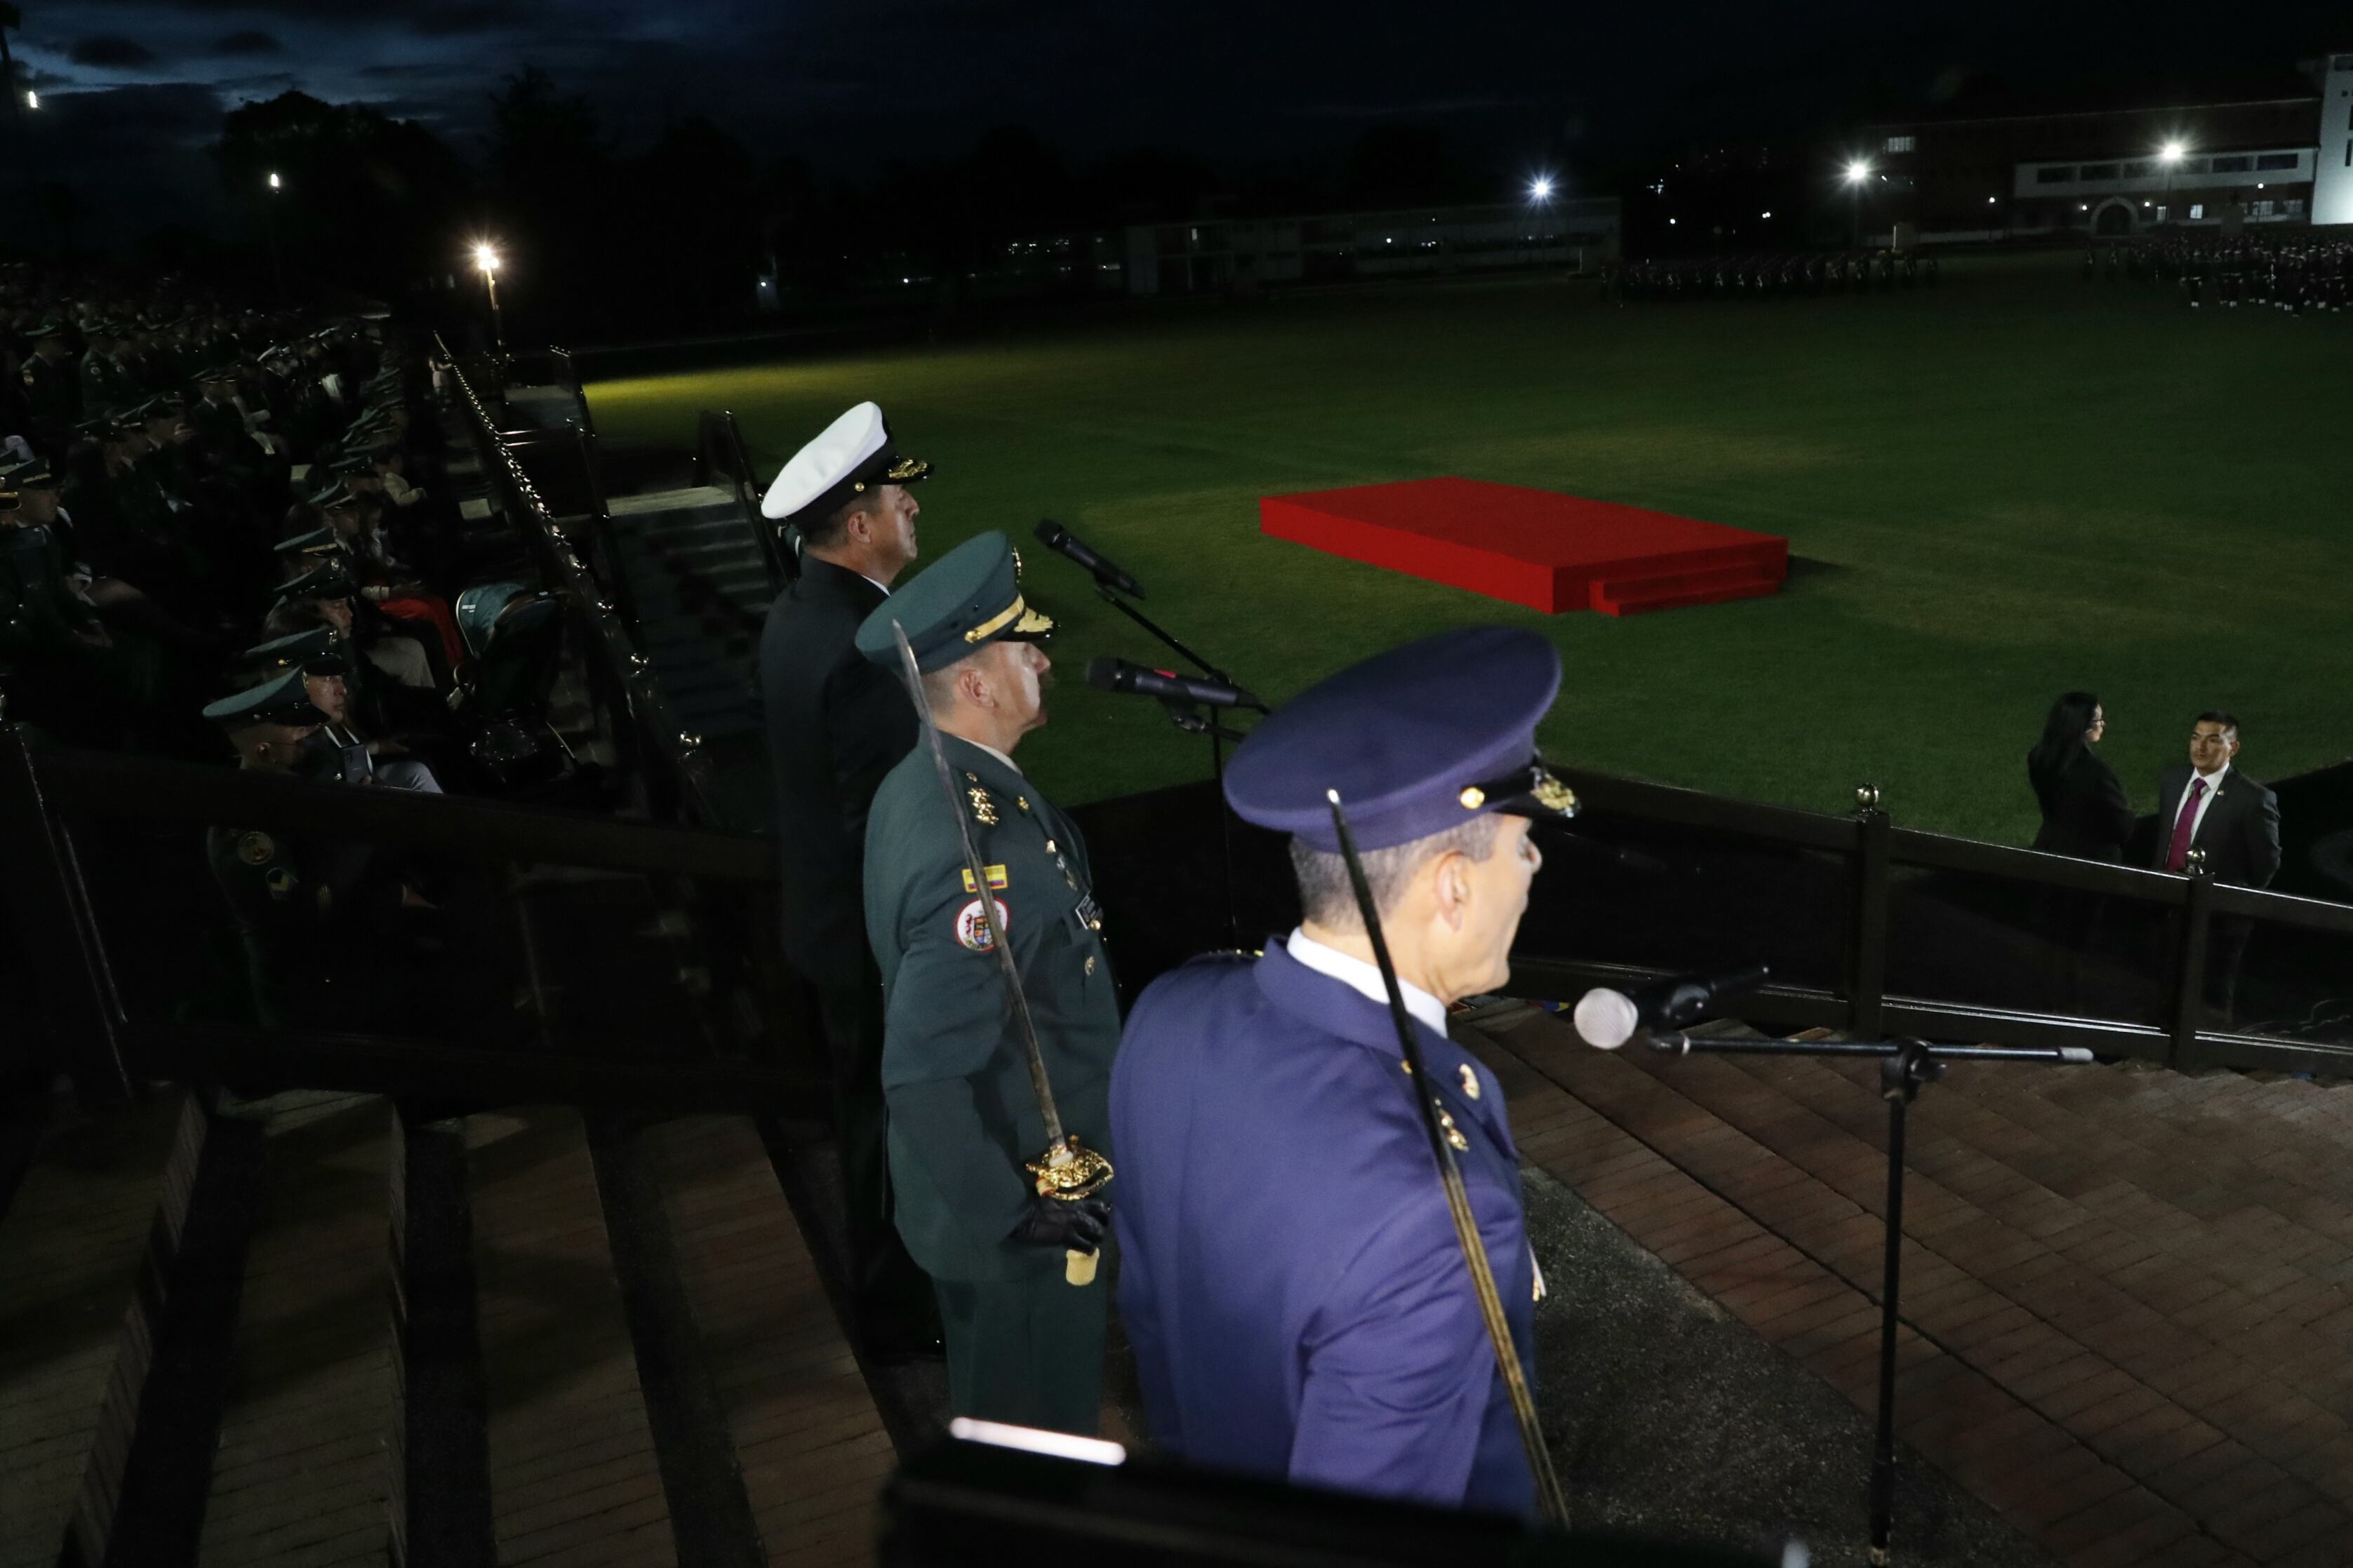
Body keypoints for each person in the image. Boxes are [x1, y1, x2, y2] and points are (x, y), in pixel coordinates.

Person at [1110, 626, 1569, 1515]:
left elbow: (1156, 1317)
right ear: (1451, 887)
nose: (1533, 863)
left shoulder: (1171, 1011)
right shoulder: (1431, 1214)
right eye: (1521, 842)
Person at [854, 530, 1116, 1435]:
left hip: (1004, 1179)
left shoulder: (934, 784)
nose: (1041, 660)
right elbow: (922, 1070)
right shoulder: (973, 853)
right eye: (1020, 648)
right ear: (973, 684)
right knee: (1036, 1431)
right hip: (1020, 1199)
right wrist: (1011, 1215)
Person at [755, 401, 938, 1360]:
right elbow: (886, 824)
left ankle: (893, 1299)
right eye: (898, 499)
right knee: (890, 1118)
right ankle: (899, 1312)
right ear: (860, 524)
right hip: (872, 938)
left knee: (868, 1108)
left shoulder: (801, 611)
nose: (914, 508)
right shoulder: (862, 645)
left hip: (827, 921)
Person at [2154, 711, 2281, 1020]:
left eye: (2213, 740)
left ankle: (2208, 1045)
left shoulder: (2253, 799)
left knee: (2211, 997)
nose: (2200, 747)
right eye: (2196, 737)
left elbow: (2266, 864)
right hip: (2169, 906)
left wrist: (2231, 899)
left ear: (2232, 747)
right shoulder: (2172, 781)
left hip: (2220, 919)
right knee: (2165, 985)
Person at [2027, 691, 2133, 861]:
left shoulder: (2038, 758)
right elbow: (2121, 828)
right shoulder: (2096, 771)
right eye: (2098, 720)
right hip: (2091, 860)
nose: (2103, 724)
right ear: (2084, 725)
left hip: (2048, 848)